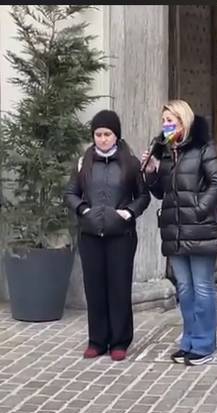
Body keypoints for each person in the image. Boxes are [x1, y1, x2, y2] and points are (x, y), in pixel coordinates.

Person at [141, 100, 217, 366]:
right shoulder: (166, 152)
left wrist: (199, 209)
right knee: (185, 288)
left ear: (184, 122)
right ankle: (189, 340)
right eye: (164, 120)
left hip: (200, 228)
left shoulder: (203, 148)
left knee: (202, 287)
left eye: (172, 121)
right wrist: (152, 172)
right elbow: (160, 192)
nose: (167, 125)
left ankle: (205, 344)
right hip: (174, 230)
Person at [64, 109, 151, 361]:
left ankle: (120, 341)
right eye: (98, 134)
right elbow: (71, 193)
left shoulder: (130, 163)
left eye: (107, 134)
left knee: (118, 287)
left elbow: (143, 196)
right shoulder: (84, 162)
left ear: (116, 135)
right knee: (95, 287)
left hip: (120, 235)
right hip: (91, 234)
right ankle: (97, 340)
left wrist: (128, 213)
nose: (102, 139)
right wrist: (83, 209)